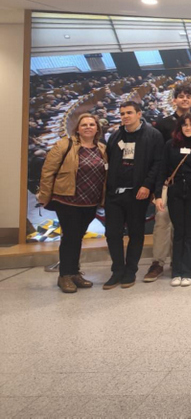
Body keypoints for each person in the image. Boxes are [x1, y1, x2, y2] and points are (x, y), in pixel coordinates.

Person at [37, 113, 107, 293]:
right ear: (77, 128)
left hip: (90, 202)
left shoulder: (101, 149)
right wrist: (45, 195)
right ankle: (65, 276)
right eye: (84, 124)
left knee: (77, 237)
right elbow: (48, 171)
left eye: (92, 124)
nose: (88, 127)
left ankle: (74, 272)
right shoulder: (64, 145)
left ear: (97, 129)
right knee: (70, 237)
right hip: (67, 200)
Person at [103, 101, 164, 290]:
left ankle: (130, 271)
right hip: (115, 193)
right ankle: (117, 271)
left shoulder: (153, 135)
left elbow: (157, 163)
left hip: (137, 193)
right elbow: (110, 161)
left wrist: (147, 185)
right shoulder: (115, 136)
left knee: (136, 234)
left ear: (139, 114)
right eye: (122, 113)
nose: (125, 116)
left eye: (129, 112)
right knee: (112, 234)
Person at [145, 84, 191, 283]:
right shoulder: (164, 124)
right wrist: (156, 189)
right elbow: (157, 158)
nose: (185, 99)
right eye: (181, 96)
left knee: (184, 225)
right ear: (174, 100)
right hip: (168, 182)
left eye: (188, 97)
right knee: (162, 222)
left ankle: (183, 262)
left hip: (190, 185)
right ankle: (158, 262)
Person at [153, 115, 191, 287]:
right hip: (175, 194)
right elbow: (162, 171)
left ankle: (189, 272)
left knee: (190, 235)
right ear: (179, 128)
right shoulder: (169, 145)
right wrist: (157, 196)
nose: (188, 128)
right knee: (178, 233)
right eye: (185, 125)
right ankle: (176, 271)